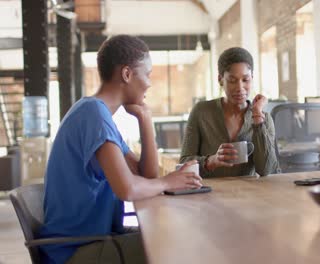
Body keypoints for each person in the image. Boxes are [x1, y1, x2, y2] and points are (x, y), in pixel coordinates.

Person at [39, 35, 203, 264]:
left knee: (170, 236)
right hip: (75, 250)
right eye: (147, 74)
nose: (149, 82)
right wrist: (169, 182)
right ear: (127, 74)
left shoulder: (96, 113)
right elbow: (128, 189)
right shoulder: (93, 114)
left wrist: (145, 119)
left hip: (95, 239)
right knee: (179, 242)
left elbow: (146, 175)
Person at [180, 47, 280, 177]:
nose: (240, 88)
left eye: (245, 80)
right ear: (220, 79)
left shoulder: (263, 118)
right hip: (210, 194)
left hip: (248, 194)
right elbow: (184, 164)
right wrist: (211, 161)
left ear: (252, 78)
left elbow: (267, 171)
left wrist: (257, 116)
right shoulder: (201, 112)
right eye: (232, 80)